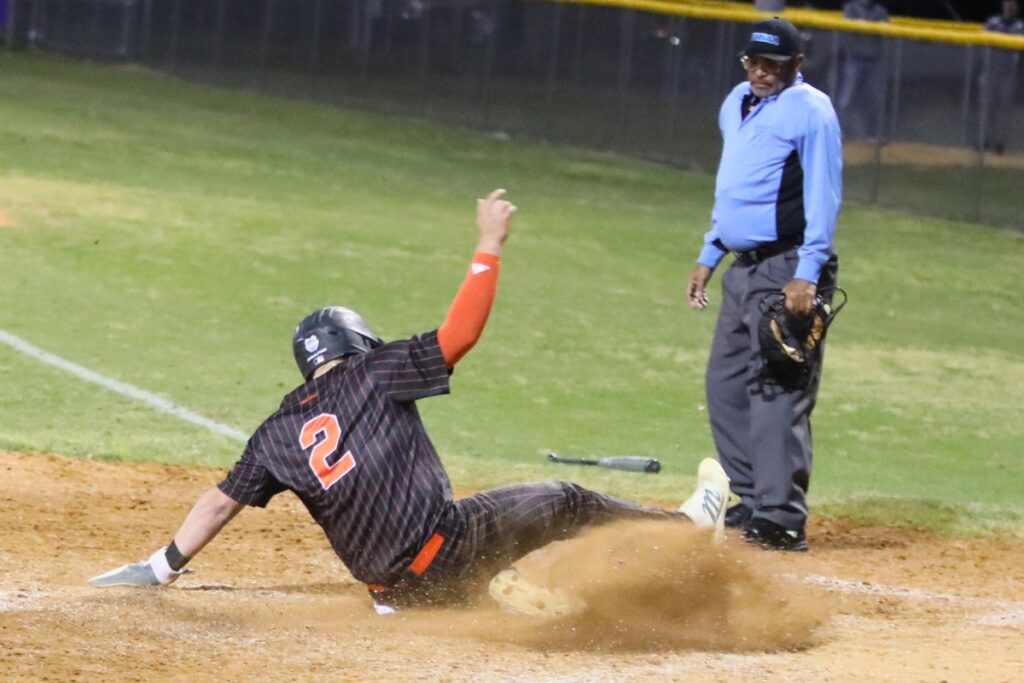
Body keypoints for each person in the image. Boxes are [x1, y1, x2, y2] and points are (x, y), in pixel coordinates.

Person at [89, 189, 731, 614]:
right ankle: (688, 533)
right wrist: (489, 246)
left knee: (475, 537)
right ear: (356, 341)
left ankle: (486, 586)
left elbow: (222, 500)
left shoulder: (277, 430)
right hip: (444, 550)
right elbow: (461, 336)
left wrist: (161, 566)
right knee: (565, 501)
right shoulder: (375, 370)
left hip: (394, 593)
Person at [685, 18, 842, 552]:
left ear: (796, 65)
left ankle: (781, 517)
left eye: (771, 63)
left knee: (778, 387)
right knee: (725, 383)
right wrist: (711, 252)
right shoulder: (737, 102)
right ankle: (752, 499)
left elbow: (825, 192)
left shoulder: (811, 110)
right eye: (753, 61)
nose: (759, 71)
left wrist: (809, 269)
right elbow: (733, 186)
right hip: (743, 267)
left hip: (788, 267)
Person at [836, 0, 890, 141]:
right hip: (854, 58)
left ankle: (871, 134)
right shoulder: (851, 8)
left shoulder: (880, 10)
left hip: (873, 60)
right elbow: (847, 24)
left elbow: (886, 27)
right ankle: (840, 131)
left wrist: (869, 26)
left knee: (874, 98)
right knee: (846, 97)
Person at [980, 0, 1024, 154]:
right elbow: (983, 41)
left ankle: (1000, 144)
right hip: (991, 71)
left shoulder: (1020, 26)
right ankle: (985, 141)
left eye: (1013, 4)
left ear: (1017, 7)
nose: (1010, 6)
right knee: (988, 108)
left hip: (1008, 75)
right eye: (1007, 3)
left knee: (1005, 110)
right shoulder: (993, 22)